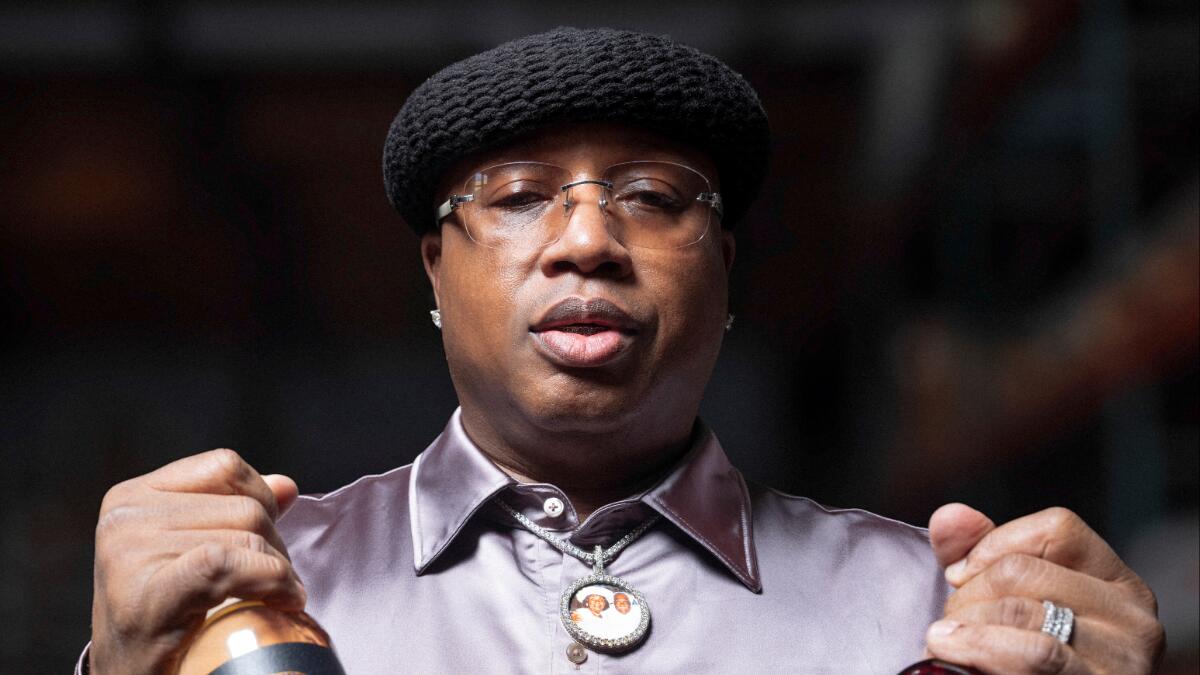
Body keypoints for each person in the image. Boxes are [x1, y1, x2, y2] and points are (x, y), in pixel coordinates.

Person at [82, 27, 1164, 674]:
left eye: (651, 195)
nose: (589, 240)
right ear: (435, 274)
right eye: (518, 196)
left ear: (724, 270)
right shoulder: (256, 590)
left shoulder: (935, 607)